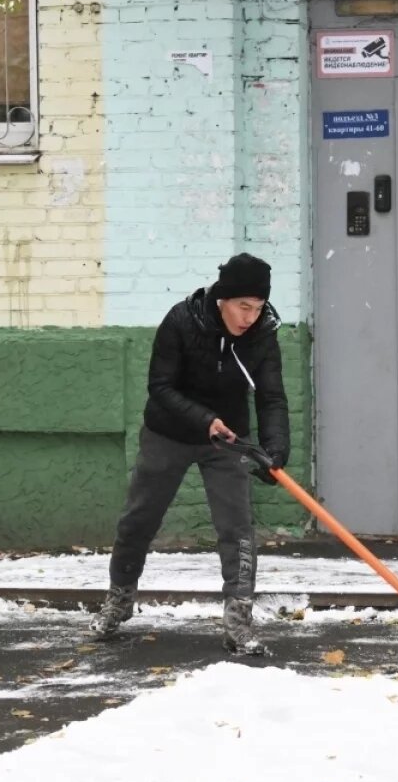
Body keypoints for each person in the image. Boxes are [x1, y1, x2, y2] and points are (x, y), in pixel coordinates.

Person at [89, 253, 290, 655]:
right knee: (138, 520)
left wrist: (275, 450)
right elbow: (160, 386)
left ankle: (239, 622)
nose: (249, 317)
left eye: (258, 307)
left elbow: (271, 397)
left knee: (237, 529)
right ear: (223, 300)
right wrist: (204, 419)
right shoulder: (182, 321)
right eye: (242, 306)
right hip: (169, 433)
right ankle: (120, 600)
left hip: (228, 439)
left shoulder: (262, 336)